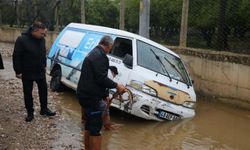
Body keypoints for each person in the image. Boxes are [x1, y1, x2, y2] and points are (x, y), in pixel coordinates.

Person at [77, 35, 125, 150]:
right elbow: (101, 79)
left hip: (83, 95)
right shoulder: (101, 57)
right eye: (111, 48)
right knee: (96, 130)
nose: (110, 50)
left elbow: (95, 78)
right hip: (92, 98)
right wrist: (117, 85)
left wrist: (105, 96)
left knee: (88, 125)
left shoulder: (93, 53)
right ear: (109, 46)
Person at [12, 22, 56, 122]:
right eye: (42, 33)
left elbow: (43, 52)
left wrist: (44, 65)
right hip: (27, 71)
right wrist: (17, 71)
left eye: (44, 34)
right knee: (28, 93)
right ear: (34, 30)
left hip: (40, 71)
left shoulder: (42, 40)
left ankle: (44, 109)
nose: (43, 35)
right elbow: (16, 56)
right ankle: (30, 112)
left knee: (43, 90)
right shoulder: (22, 40)